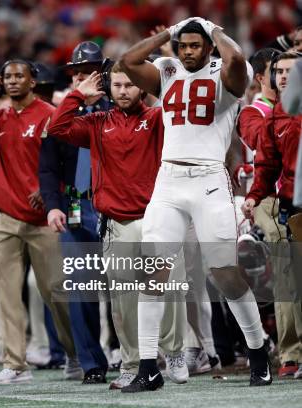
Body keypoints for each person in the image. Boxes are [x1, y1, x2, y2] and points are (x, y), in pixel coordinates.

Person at [120, 17, 272, 391]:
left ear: (207, 47)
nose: (187, 52)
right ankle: (148, 367)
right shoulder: (167, 70)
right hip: (168, 179)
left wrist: (214, 29)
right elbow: (127, 61)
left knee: (224, 272)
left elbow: (236, 58)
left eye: (194, 45)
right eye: (183, 46)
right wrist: (169, 33)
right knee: (152, 270)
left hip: (208, 180)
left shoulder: (226, 70)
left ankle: (257, 353)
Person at [48, 60, 189, 388]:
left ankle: (176, 352)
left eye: (130, 84)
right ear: (107, 88)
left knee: (169, 291)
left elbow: (180, 112)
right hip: (117, 223)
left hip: (158, 218)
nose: (124, 91)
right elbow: (57, 128)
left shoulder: (157, 119)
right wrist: (77, 96)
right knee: (124, 300)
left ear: (142, 86)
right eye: (118, 85)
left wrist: (160, 80)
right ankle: (131, 361)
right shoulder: (96, 122)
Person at [0, 60, 78, 384]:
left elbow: (68, 161)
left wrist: (53, 193)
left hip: (43, 220)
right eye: (7, 77)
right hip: (5, 219)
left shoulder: (49, 114)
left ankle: (74, 353)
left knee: (55, 291)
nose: (12, 82)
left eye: (18, 76)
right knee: (6, 293)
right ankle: (15, 364)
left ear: (32, 80)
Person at [39, 41, 111, 384]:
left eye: (87, 73)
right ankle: (92, 362)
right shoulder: (64, 113)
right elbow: (48, 167)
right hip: (76, 206)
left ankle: (138, 355)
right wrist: (52, 205)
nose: (79, 79)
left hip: (114, 205)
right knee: (81, 289)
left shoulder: (121, 106)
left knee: (126, 286)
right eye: (76, 74)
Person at [242, 52, 302, 380]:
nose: (282, 77)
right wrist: (253, 196)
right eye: (278, 71)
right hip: (292, 206)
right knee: (288, 279)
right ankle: (291, 353)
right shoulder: (274, 117)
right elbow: (266, 166)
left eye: (290, 71)